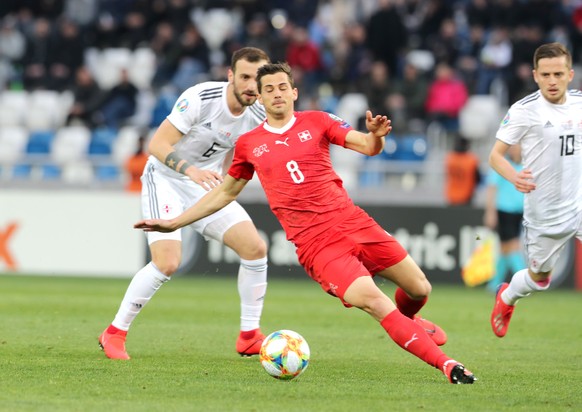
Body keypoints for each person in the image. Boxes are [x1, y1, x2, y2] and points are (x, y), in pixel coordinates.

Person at [135, 62, 477, 384]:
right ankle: (447, 365)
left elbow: (368, 147)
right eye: (269, 89)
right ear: (262, 96)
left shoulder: (318, 120)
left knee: (420, 289)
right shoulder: (249, 144)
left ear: (294, 92)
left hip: (354, 222)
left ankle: (411, 321)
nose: (277, 93)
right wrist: (175, 221)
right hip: (319, 247)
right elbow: (224, 194)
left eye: (283, 87)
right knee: (375, 301)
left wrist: (377, 136)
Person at [99, 47, 271, 360]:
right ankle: (114, 333)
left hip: (205, 186)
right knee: (167, 263)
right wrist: (191, 170)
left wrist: (224, 177)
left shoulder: (258, 113)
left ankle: (249, 335)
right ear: (230, 75)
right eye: (244, 77)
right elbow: (157, 144)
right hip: (165, 179)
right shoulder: (202, 98)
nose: (250, 85)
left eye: (257, 80)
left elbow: (238, 147)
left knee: (255, 248)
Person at [488, 42, 582, 338]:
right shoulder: (524, 111)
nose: (552, 81)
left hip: (579, 203)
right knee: (541, 278)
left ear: (570, 74)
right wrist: (515, 177)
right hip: (545, 214)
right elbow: (495, 156)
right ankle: (506, 296)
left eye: (558, 73)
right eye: (546, 75)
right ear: (535, 76)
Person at [483, 144, 525, 293]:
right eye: (513, 146)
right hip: (504, 211)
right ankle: (526, 281)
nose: (515, 149)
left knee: (504, 249)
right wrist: (490, 212)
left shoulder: (526, 165)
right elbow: (491, 188)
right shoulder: (501, 164)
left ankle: (494, 284)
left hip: (520, 212)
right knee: (512, 247)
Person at [444, 136, 482, 206]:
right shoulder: (471, 160)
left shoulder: (449, 158)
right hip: (466, 195)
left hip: (451, 195)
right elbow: (478, 179)